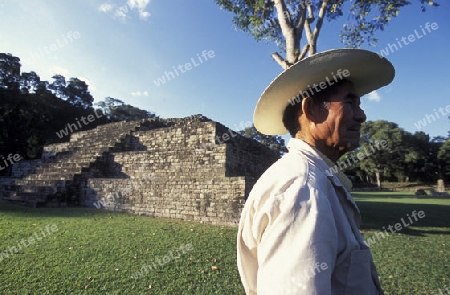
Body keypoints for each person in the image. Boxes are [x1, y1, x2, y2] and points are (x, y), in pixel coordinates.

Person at [237, 49, 395, 295]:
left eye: (360, 104)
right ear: (311, 110)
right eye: (350, 102)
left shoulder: (312, 177)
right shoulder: (302, 188)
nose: (362, 115)